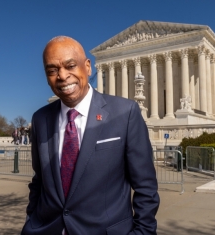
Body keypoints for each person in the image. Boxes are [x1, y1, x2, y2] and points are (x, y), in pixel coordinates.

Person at [21, 36, 159, 235]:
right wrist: (31, 220)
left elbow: (145, 186)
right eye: (52, 70)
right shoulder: (40, 119)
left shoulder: (125, 113)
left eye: (70, 66)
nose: (62, 76)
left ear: (88, 67)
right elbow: (39, 181)